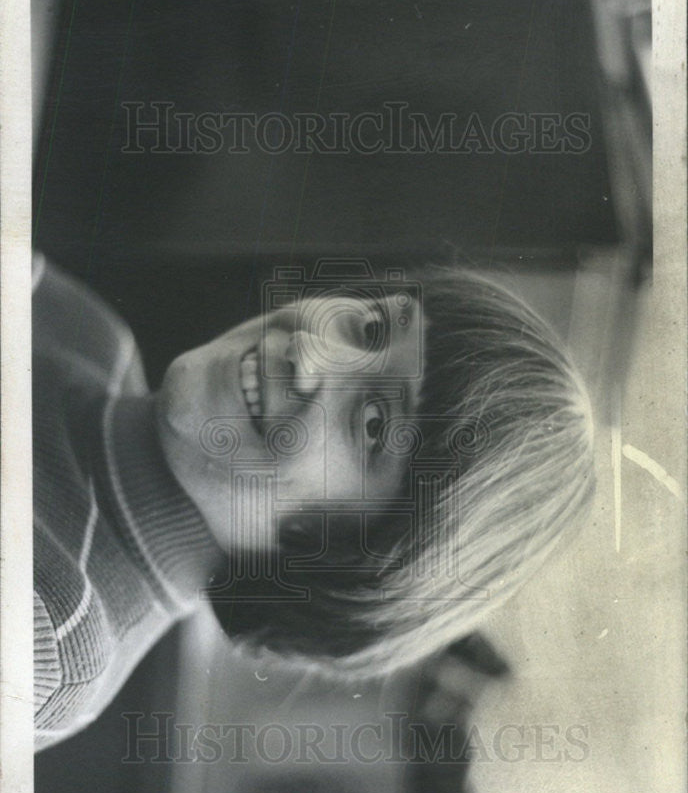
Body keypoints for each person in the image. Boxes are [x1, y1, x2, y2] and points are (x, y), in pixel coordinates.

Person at [33, 251, 595, 751]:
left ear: (348, 561)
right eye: (370, 329)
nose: (309, 351)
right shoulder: (94, 337)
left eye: (373, 423)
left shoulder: (52, 636)